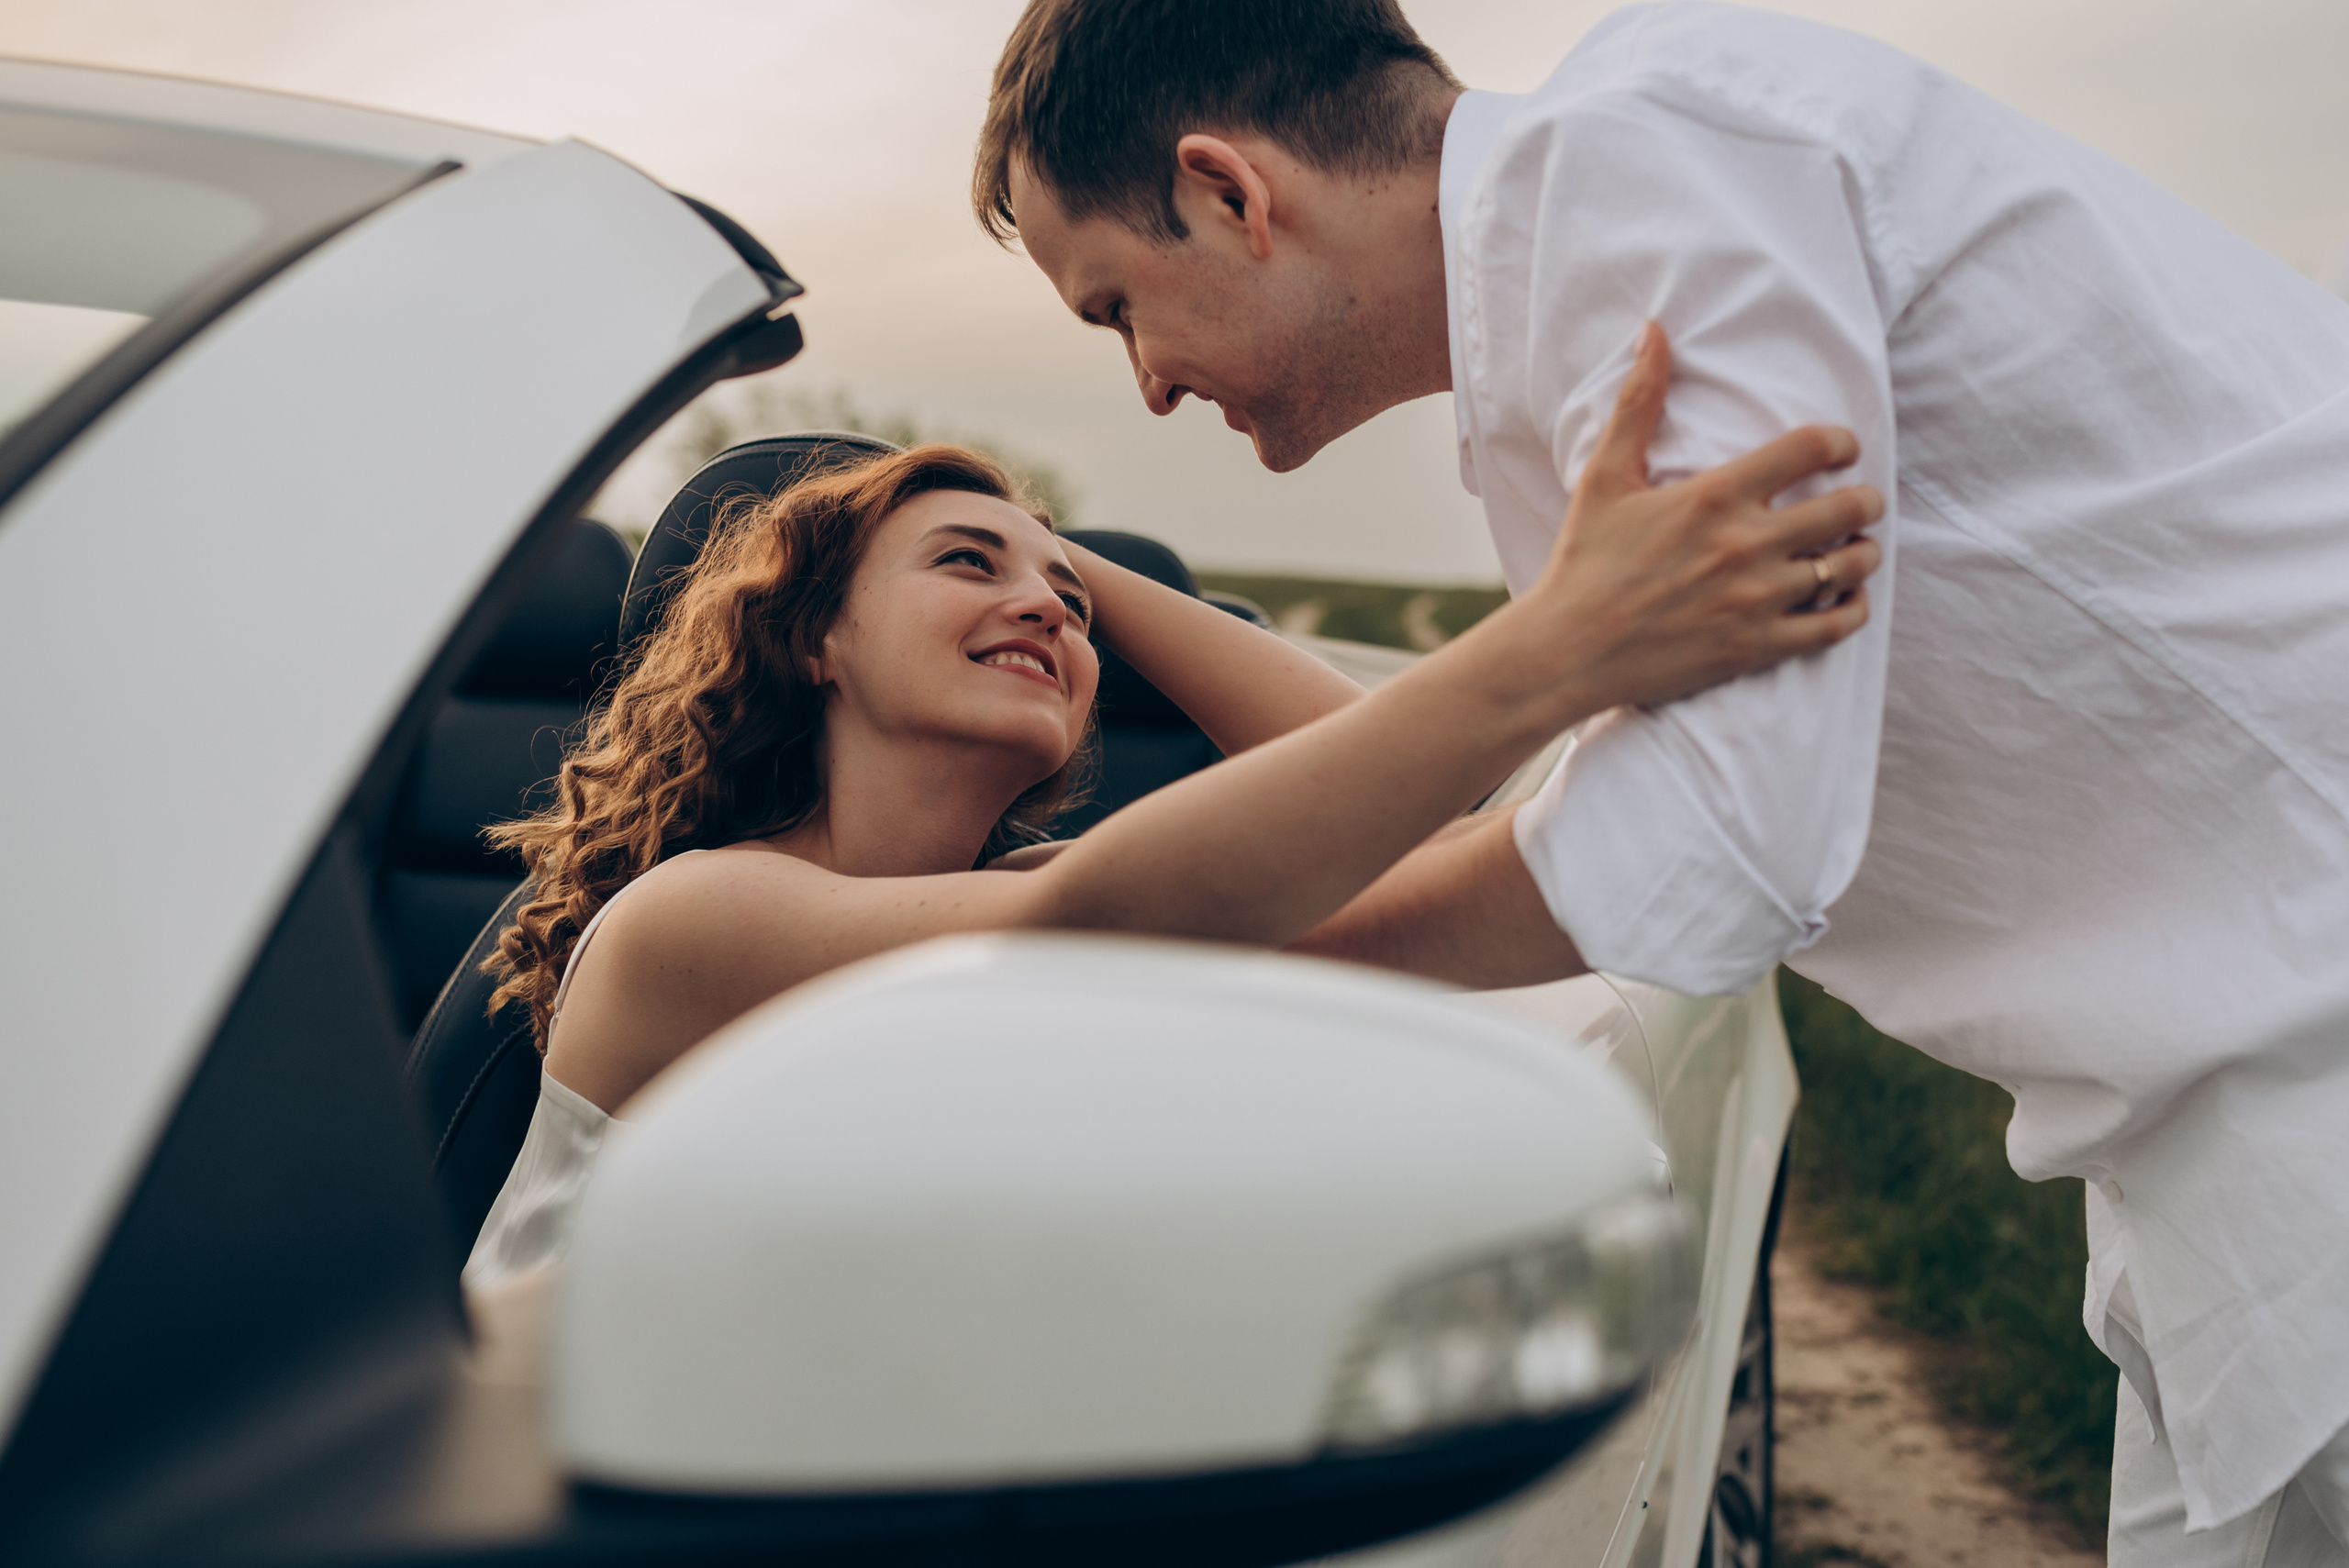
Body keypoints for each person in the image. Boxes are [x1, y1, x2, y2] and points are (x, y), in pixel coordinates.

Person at [972, 2, 2349, 1563]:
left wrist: (1208, 970)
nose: (1145, 383)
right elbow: (1562, 789)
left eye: (1114, 308)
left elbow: (1726, 821)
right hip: (2225, 1167)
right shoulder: (1595, 274)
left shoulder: (1641, 164)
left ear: (1229, 194)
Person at [462, 347, 1880, 1289]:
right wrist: (1561, 643)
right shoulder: (696, 920)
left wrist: (1069, 567)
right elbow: (1104, 918)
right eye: (966, 563)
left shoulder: (1047, 883)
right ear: (813, 638)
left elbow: (1440, 820)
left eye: (1070, 605)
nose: (1041, 604)